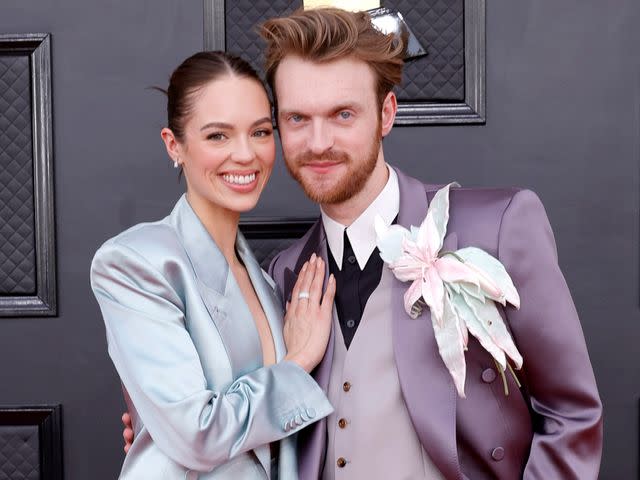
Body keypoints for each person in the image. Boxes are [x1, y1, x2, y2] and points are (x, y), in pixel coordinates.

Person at [123, 8, 603, 479]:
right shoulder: (283, 276)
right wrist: (155, 430)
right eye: (296, 119)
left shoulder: (496, 225)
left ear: (386, 114)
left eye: (343, 114)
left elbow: (571, 412)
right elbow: (227, 417)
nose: (318, 142)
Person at [91, 51, 336, 479]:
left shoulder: (267, 280)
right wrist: (295, 365)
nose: (245, 154)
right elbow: (196, 437)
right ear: (175, 145)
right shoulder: (135, 264)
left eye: (260, 132)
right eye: (218, 136)